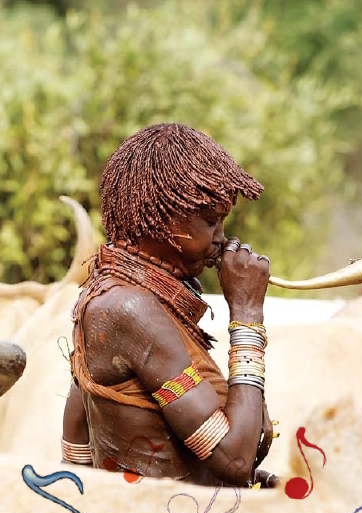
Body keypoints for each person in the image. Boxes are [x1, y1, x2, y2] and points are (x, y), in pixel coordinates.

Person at [62, 123, 279, 488]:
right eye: (210, 221)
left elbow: (77, 439)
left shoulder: (110, 293)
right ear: (159, 218)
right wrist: (246, 313)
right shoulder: (131, 309)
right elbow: (235, 459)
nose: (221, 239)